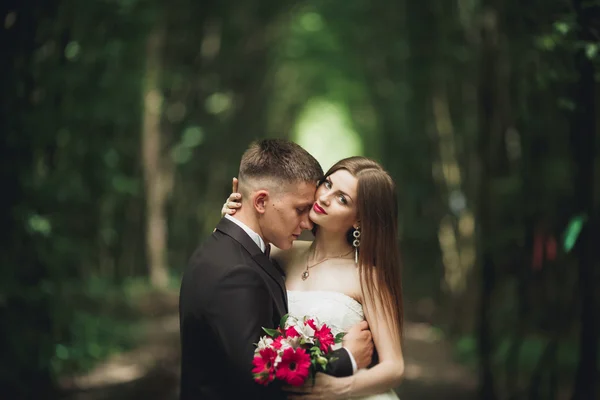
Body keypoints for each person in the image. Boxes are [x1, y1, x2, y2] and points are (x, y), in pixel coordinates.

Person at [179, 139, 374, 400]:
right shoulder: (237, 273)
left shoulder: (226, 249)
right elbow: (256, 378)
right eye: (300, 209)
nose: (308, 223)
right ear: (261, 202)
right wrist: (346, 359)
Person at [223, 155, 405, 399]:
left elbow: (394, 367)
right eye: (328, 184)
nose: (324, 198)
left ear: (359, 220)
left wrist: (337, 389)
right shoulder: (282, 253)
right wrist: (233, 214)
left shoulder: (366, 276)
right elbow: (226, 254)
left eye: (342, 199)